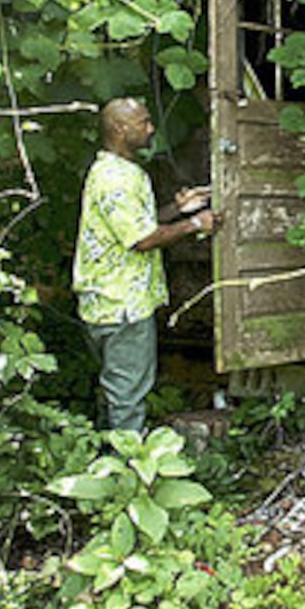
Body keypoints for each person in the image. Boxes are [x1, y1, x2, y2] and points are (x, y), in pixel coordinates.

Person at [72, 97, 219, 431]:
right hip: (123, 306)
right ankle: (128, 473)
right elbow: (142, 240)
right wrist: (196, 225)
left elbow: (137, 223)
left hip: (107, 302)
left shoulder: (116, 170)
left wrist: (179, 209)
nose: (151, 129)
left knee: (114, 388)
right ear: (121, 129)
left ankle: (105, 457)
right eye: (144, 122)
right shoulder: (116, 179)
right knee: (127, 396)